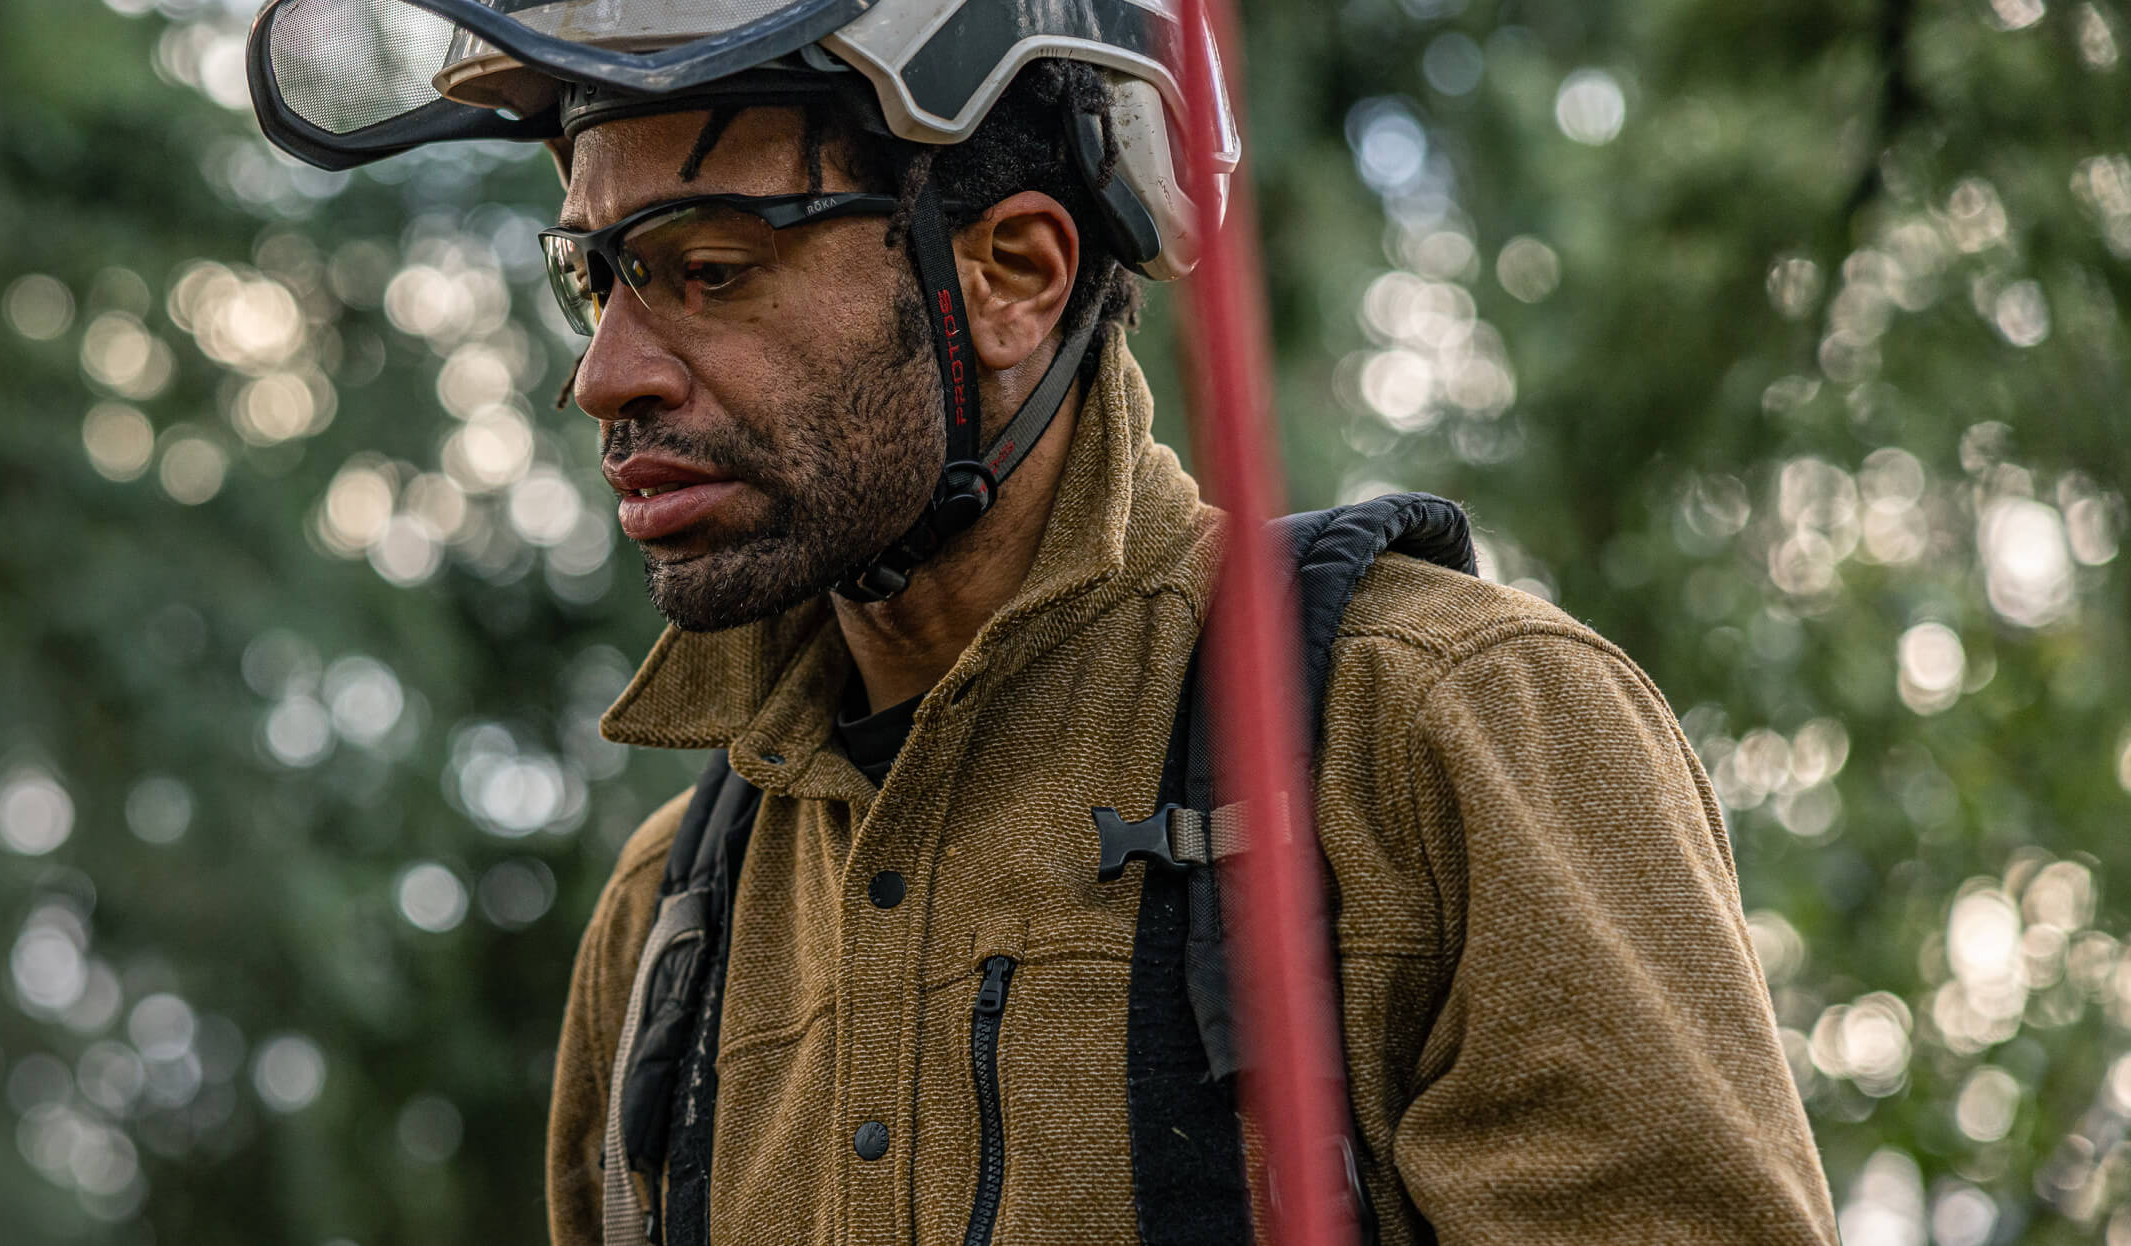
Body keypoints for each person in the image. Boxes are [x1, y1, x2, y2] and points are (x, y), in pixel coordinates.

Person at [252, 2, 1833, 1242]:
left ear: (1011, 274)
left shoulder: (1445, 734)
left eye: (709, 270)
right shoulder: (669, 920)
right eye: (594, 279)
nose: (609, 374)